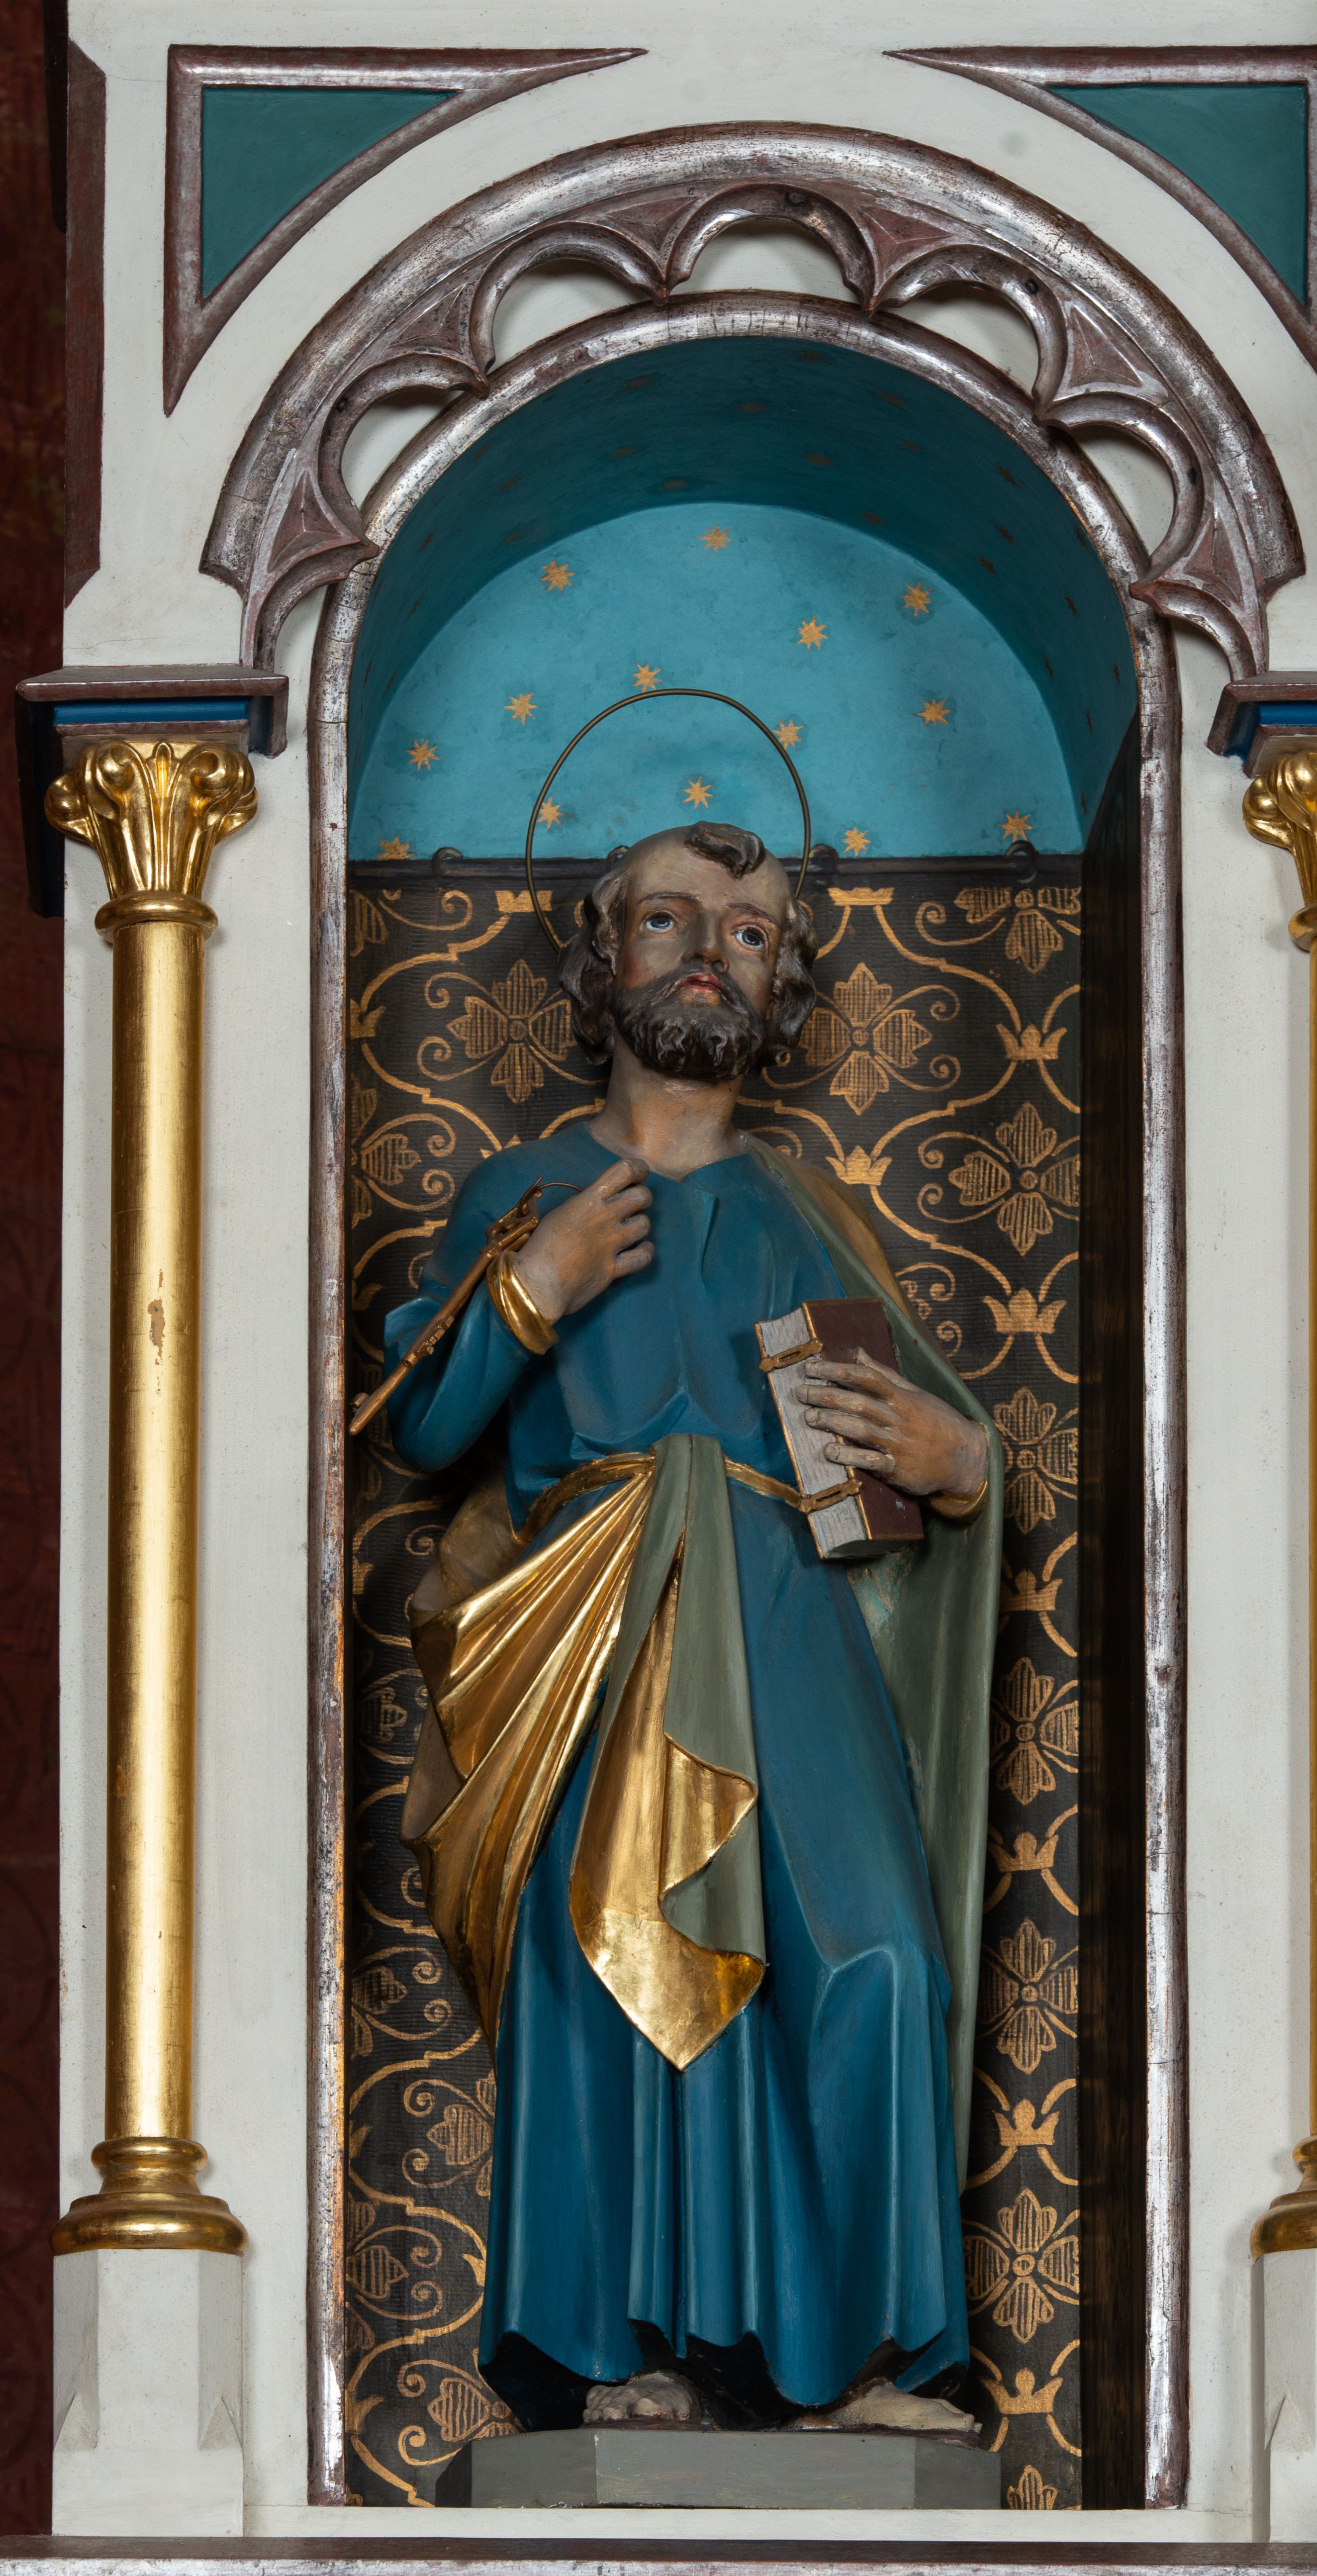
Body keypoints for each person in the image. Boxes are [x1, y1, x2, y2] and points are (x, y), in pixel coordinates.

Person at [385, 821, 1001, 2434]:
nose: (710, 950)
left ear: (780, 981)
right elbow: (421, 1422)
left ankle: (863, 2359)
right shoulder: (525, 1189)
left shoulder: (807, 1214)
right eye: (670, 918)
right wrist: (536, 1281)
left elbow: (913, 1450)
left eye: (748, 928)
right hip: (598, 1610)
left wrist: (959, 1460)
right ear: (607, 955)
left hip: (788, 1607)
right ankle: (629, 2352)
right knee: (622, 1951)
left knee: (878, 1953)